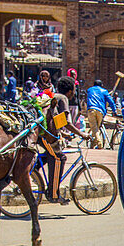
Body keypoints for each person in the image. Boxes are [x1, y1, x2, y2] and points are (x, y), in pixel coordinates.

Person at [36, 75, 88, 203]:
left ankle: (32, 169)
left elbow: (56, 120)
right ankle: (53, 194)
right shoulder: (63, 98)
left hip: (44, 134)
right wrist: (82, 134)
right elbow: (66, 123)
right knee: (59, 158)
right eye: (74, 89)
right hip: (46, 136)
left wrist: (64, 135)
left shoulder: (55, 96)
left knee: (51, 155)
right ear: (70, 90)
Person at [85, 79, 117, 148]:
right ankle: (95, 144)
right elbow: (111, 101)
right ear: (101, 85)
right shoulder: (104, 91)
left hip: (91, 109)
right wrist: (114, 111)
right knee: (96, 128)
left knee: (94, 128)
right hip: (100, 111)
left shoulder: (90, 90)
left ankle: (97, 144)